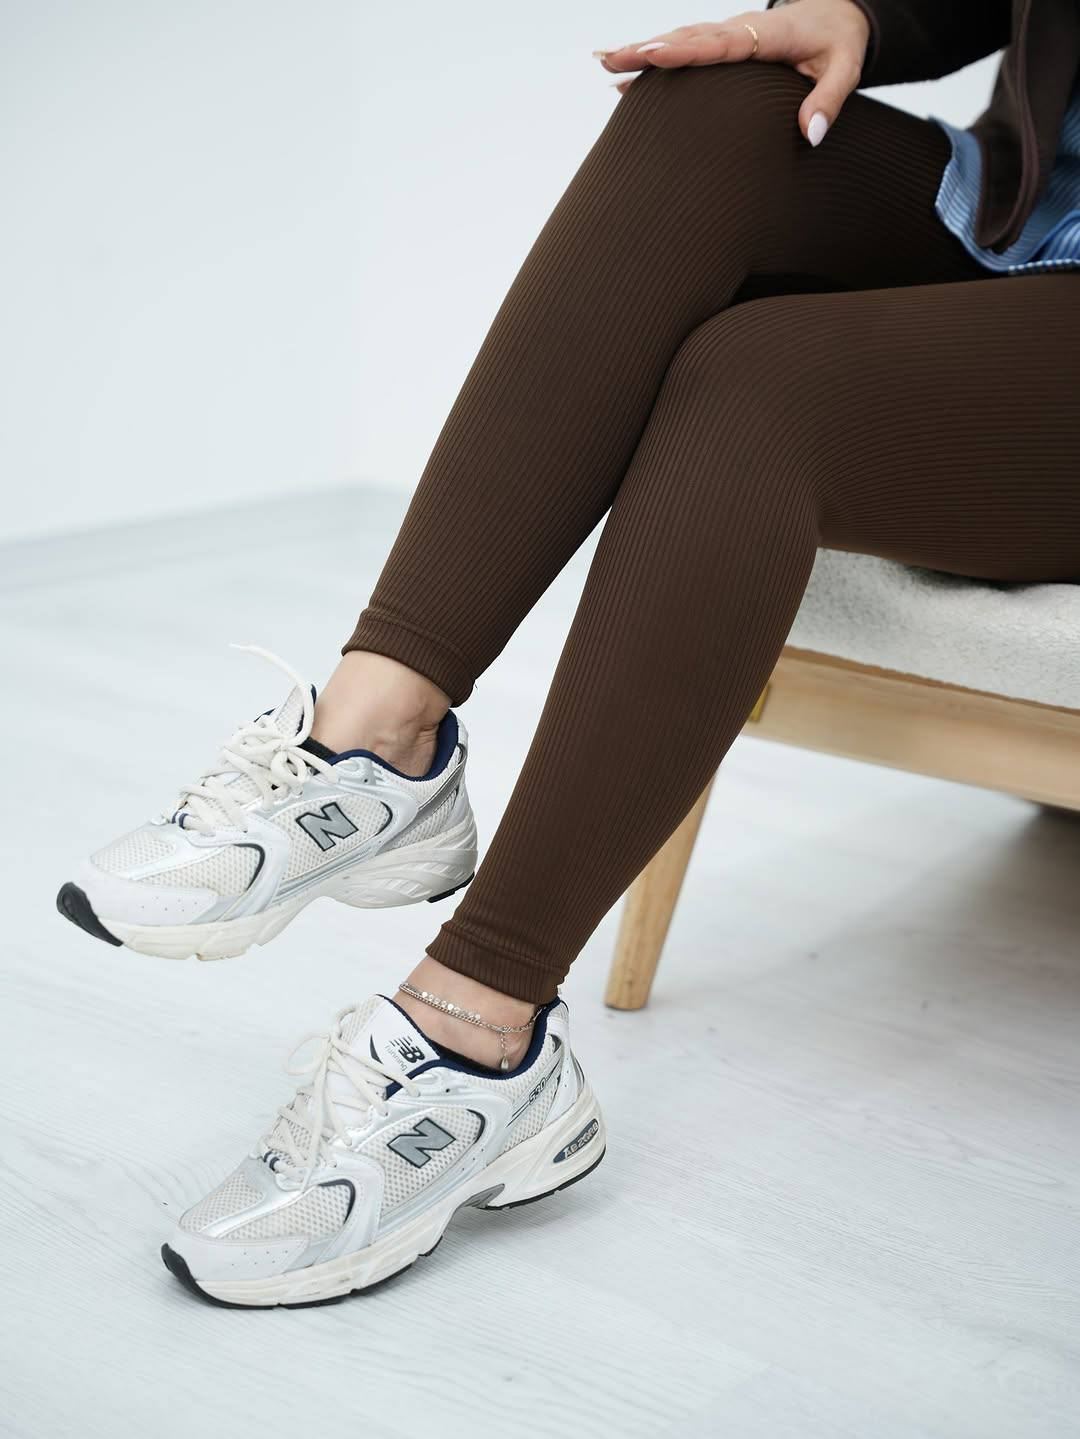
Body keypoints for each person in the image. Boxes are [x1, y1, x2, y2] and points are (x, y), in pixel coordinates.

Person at [58, 0, 1080, 1308]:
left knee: (757, 382)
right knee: (712, 107)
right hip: (1030, 211)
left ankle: (478, 1040)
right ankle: (374, 741)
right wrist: (869, 15)